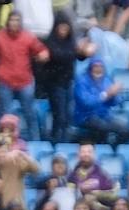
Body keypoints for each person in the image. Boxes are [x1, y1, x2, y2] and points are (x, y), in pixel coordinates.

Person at [0, 12, 50, 141]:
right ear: (7, 22)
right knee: (5, 115)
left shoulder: (28, 37)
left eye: (17, 20)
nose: (14, 23)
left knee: (30, 114)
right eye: (12, 20)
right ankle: (2, 142)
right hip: (5, 81)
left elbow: (42, 50)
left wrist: (43, 54)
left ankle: (35, 142)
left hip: (25, 81)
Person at [37, 15, 88, 143]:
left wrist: (83, 53)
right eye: (61, 28)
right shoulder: (50, 43)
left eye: (66, 28)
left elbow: (77, 56)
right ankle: (57, 140)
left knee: (67, 115)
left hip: (68, 82)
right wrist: (75, 51)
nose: (63, 31)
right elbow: (57, 56)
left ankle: (64, 141)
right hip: (54, 84)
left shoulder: (70, 43)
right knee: (59, 115)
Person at [73, 59, 129, 145]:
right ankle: (97, 147)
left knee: (128, 130)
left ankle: (113, 147)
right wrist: (105, 94)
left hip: (105, 116)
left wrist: (114, 95)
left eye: (100, 67)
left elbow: (115, 102)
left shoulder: (106, 80)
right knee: (103, 127)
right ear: (90, 68)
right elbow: (86, 103)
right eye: (95, 66)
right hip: (85, 116)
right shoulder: (81, 81)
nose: (98, 69)